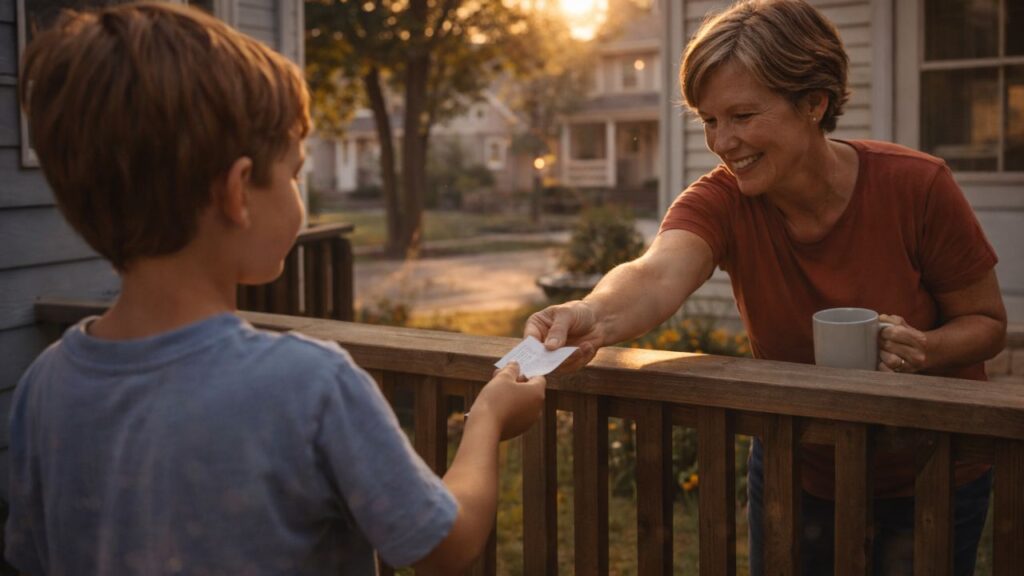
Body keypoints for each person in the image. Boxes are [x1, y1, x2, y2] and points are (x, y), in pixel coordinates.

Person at [6, 3, 546, 575]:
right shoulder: (309, 385)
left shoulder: (48, 383)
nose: (297, 196)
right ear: (239, 191)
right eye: (292, 173)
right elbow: (447, 544)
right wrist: (488, 417)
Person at [524, 1, 1007, 574]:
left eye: (743, 116)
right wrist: (591, 314)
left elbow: (987, 324)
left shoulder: (918, 186)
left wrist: (928, 349)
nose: (723, 142)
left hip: (933, 473)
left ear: (813, 102)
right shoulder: (722, 199)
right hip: (798, 469)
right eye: (709, 120)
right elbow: (655, 273)